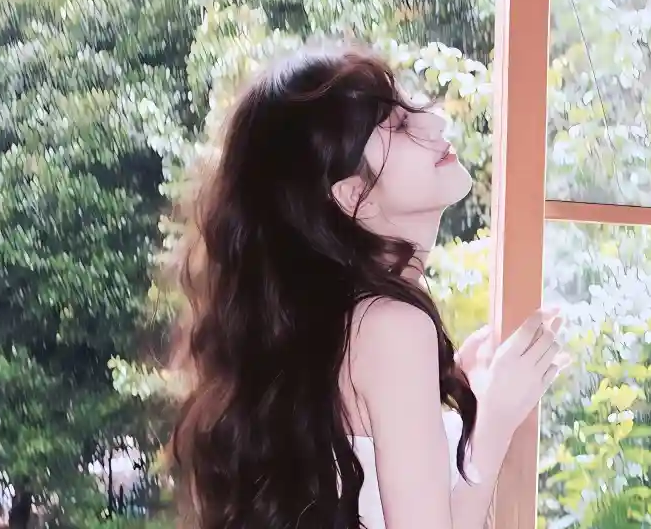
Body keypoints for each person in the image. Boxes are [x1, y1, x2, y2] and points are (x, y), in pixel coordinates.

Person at [169, 45, 569, 529]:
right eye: (398, 125)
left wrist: (482, 409)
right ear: (352, 194)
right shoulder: (390, 325)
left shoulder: (341, 325)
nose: (435, 121)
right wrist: (496, 417)